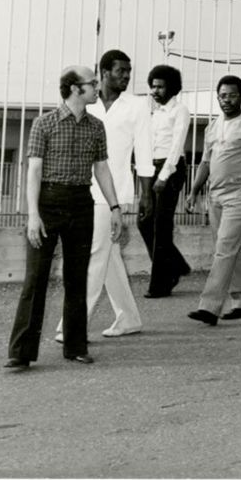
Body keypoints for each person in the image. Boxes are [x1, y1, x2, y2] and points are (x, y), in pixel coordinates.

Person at [5, 66, 122, 368]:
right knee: (35, 279)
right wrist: (33, 215)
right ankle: (21, 353)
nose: (98, 87)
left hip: (81, 202)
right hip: (47, 203)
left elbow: (102, 169)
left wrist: (114, 207)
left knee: (76, 278)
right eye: (92, 83)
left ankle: (75, 346)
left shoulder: (96, 127)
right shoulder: (44, 124)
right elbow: (34, 170)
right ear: (74, 89)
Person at [55, 49, 149, 342]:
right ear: (104, 72)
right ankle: (129, 318)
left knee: (95, 254)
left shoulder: (137, 106)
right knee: (108, 257)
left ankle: (72, 324)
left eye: (129, 72)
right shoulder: (87, 103)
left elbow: (144, 153)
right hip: (82, 190)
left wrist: (146, 195)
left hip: (113, 194)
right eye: (121, 71)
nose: (127, 76)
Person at [185, 75, 241, 326]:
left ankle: (209, 307)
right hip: (216, 195)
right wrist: (194, 191)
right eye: (223, 95)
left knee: (225, 248)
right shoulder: (212, 127)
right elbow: (205, 162)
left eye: (232, 95)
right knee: (228, 250)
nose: (227, 100)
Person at [140, 64, 193, 298]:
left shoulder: (179, 110)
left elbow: (176, 145)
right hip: (152, 168)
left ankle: (161, 284)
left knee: (161, 227)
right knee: (144, 222)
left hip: (170, 170)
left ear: (171, 87)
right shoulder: (153, 112)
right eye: (153, 86)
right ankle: (176, 266)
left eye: (160, 86)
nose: (155, 91)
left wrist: (163, 176)